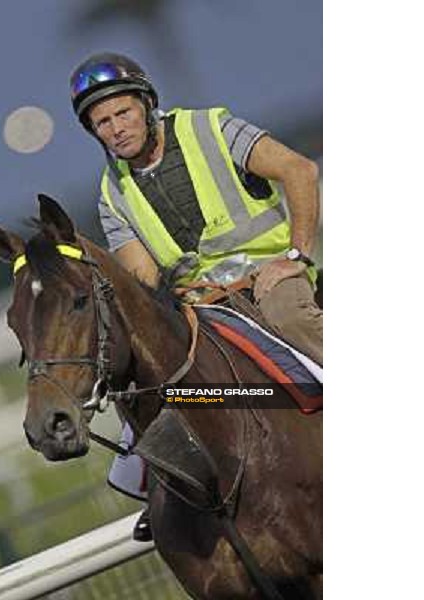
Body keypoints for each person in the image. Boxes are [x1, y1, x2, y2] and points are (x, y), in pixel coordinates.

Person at [69, 52, 323, 541]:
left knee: (288, 316)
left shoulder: (212, 128)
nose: (116, 128)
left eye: (123, 113)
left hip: (268, 279)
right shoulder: (111, 194)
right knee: (153, 377)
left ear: (146, 105)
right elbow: (143, 278)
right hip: (201, 309)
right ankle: (165, 489)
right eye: (102, 122)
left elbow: (299, 171)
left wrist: (294, 254)